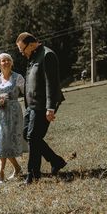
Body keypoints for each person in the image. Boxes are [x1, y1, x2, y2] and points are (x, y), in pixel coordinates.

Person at [16, 32, 67, 183]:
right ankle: (56, 161)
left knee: (33, 137)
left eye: (22, 49)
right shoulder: (32, 56)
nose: (22, 53)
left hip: (43, 105)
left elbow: (52, 83)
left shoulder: (47, 55)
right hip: (31, 105)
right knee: (28, 135)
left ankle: (33, 175)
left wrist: (50, 108)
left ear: (31, 44)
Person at [0, 52, 25, 185]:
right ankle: (12, 170)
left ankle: (2, 174)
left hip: (13, 114)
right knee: (1, 142)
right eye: (3, 61)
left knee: (7, 142)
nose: (5, 63)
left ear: (11, 62)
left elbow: (27, 92)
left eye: (8, 60)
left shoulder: (18, 77)